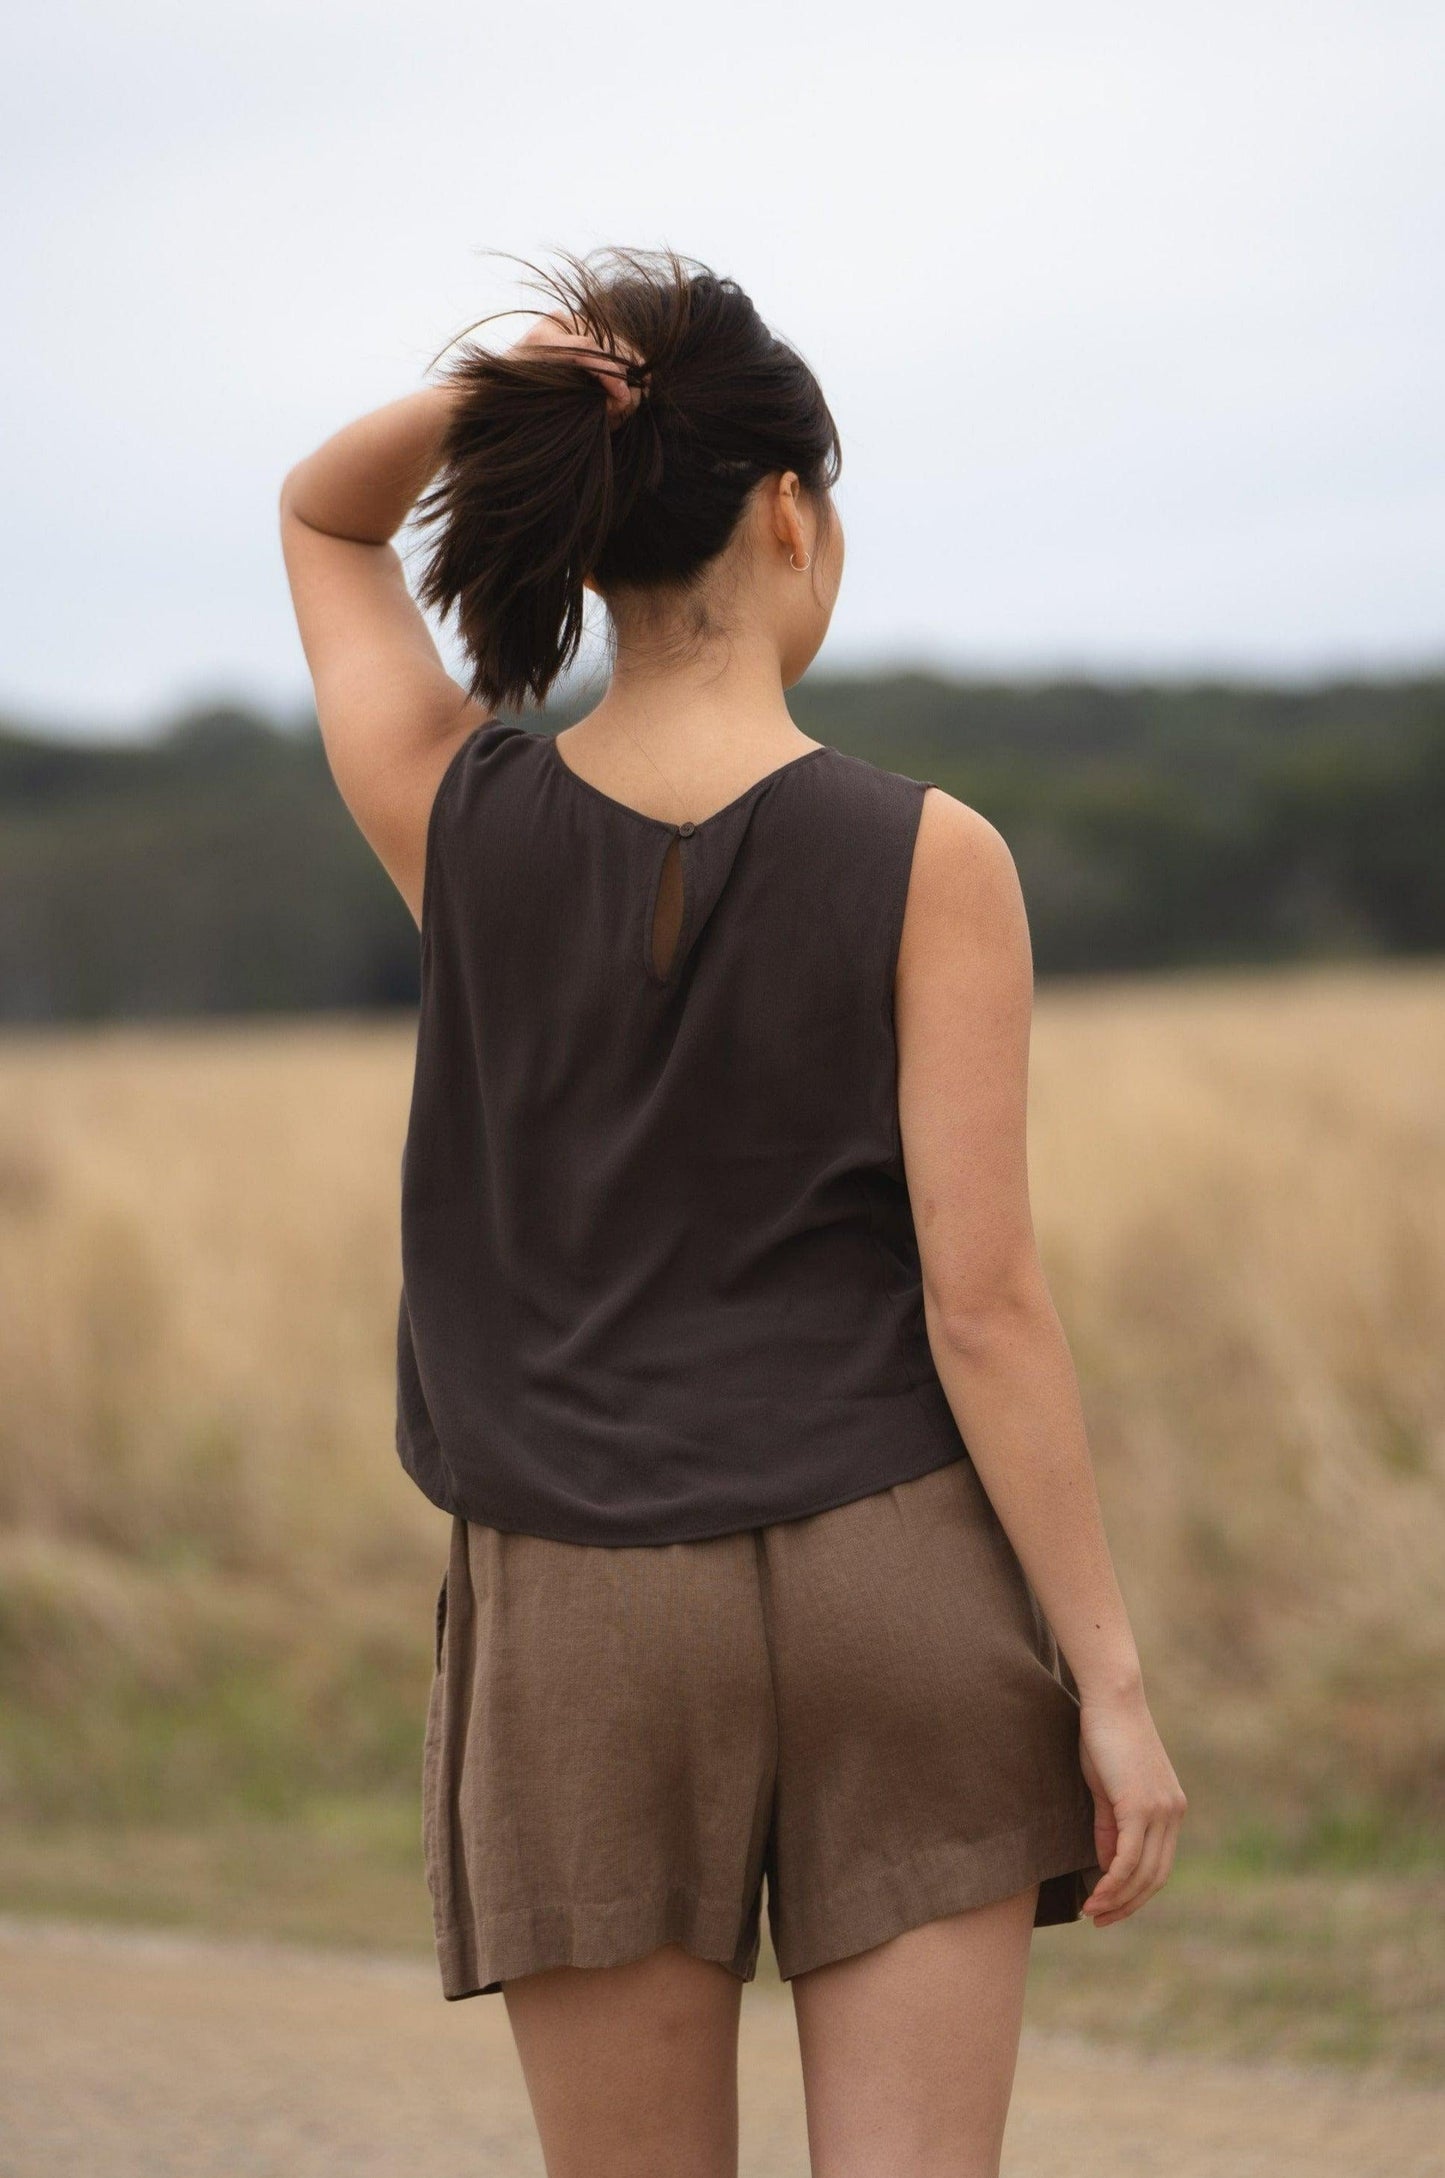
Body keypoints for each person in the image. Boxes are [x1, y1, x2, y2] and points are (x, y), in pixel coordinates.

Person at [279, 243, 1185, 2178]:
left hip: (580, 1610)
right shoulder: (933, 852)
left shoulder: (461, 820)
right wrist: (1105, 1681)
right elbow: (986, 1303)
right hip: (899, 1586)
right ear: (788, 513)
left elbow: (319, 514)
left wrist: (518, 390)